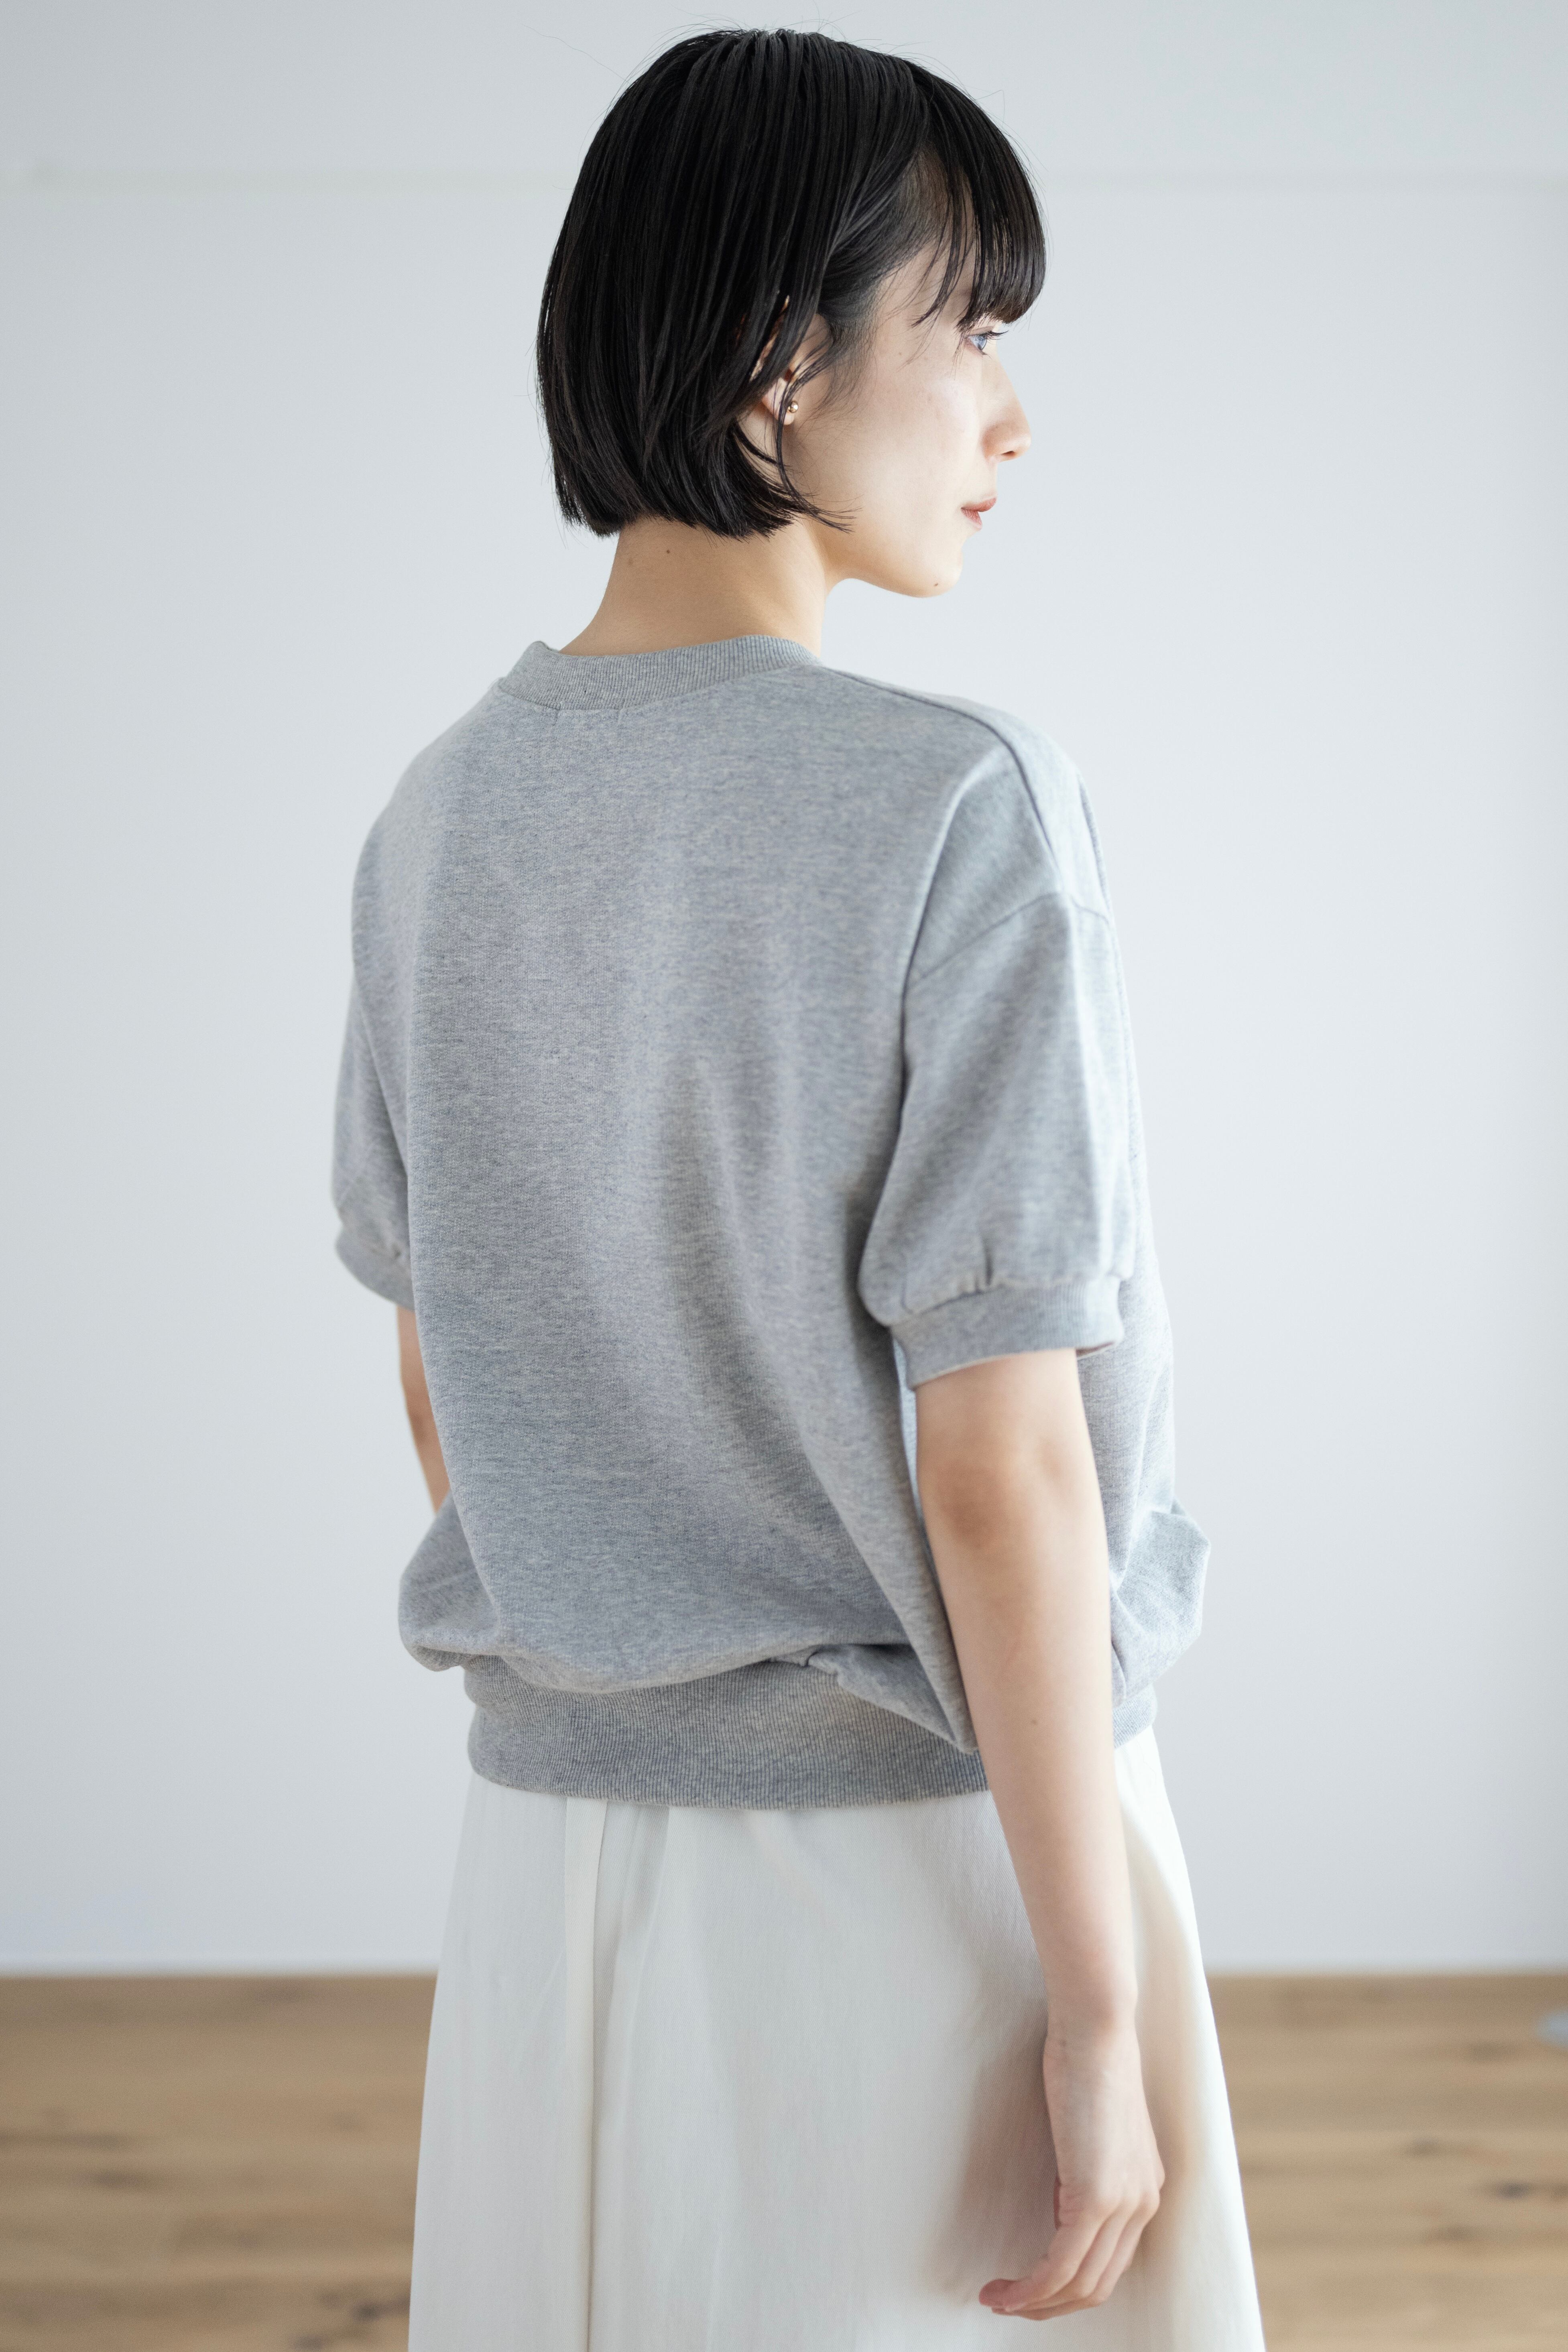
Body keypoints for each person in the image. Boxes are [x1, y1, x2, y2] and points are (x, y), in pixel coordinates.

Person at [332, 28, 1266, 2349]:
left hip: (552, 1866)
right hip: (927, 1867)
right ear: (780, 363)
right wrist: (1096, 2010)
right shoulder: (958, 798)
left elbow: (447, 1382)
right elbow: (1004, 1466)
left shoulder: (437, 814)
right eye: (969, 328)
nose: (1010, 415)